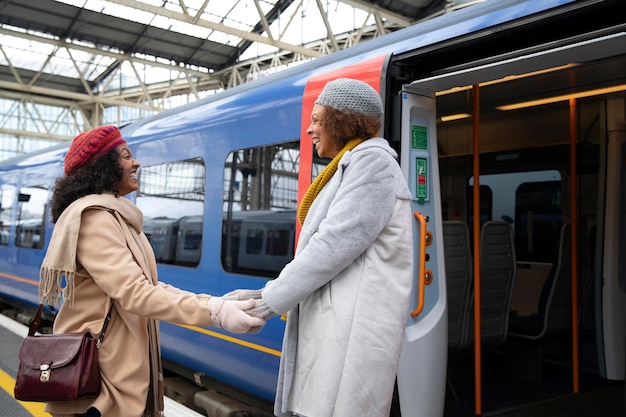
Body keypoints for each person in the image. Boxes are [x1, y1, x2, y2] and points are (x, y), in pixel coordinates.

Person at [38, 125, 266, 417]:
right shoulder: (95, 219)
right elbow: (137, 294)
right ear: (102, 167)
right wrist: (215, 313)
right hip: (100, 386)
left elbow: (149, 285)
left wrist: (214, 303)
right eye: (125, 156)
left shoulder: (119, 219)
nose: (136, 163)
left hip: (121, 373)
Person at [225, 78, 415, 417]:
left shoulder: (374, 164)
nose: (310, 130)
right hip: (338, 325)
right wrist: (264, 294)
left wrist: (266, 301)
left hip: (352, 330)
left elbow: (331, 246)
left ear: (341, 120)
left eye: (317, 119)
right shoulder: (352, 163)